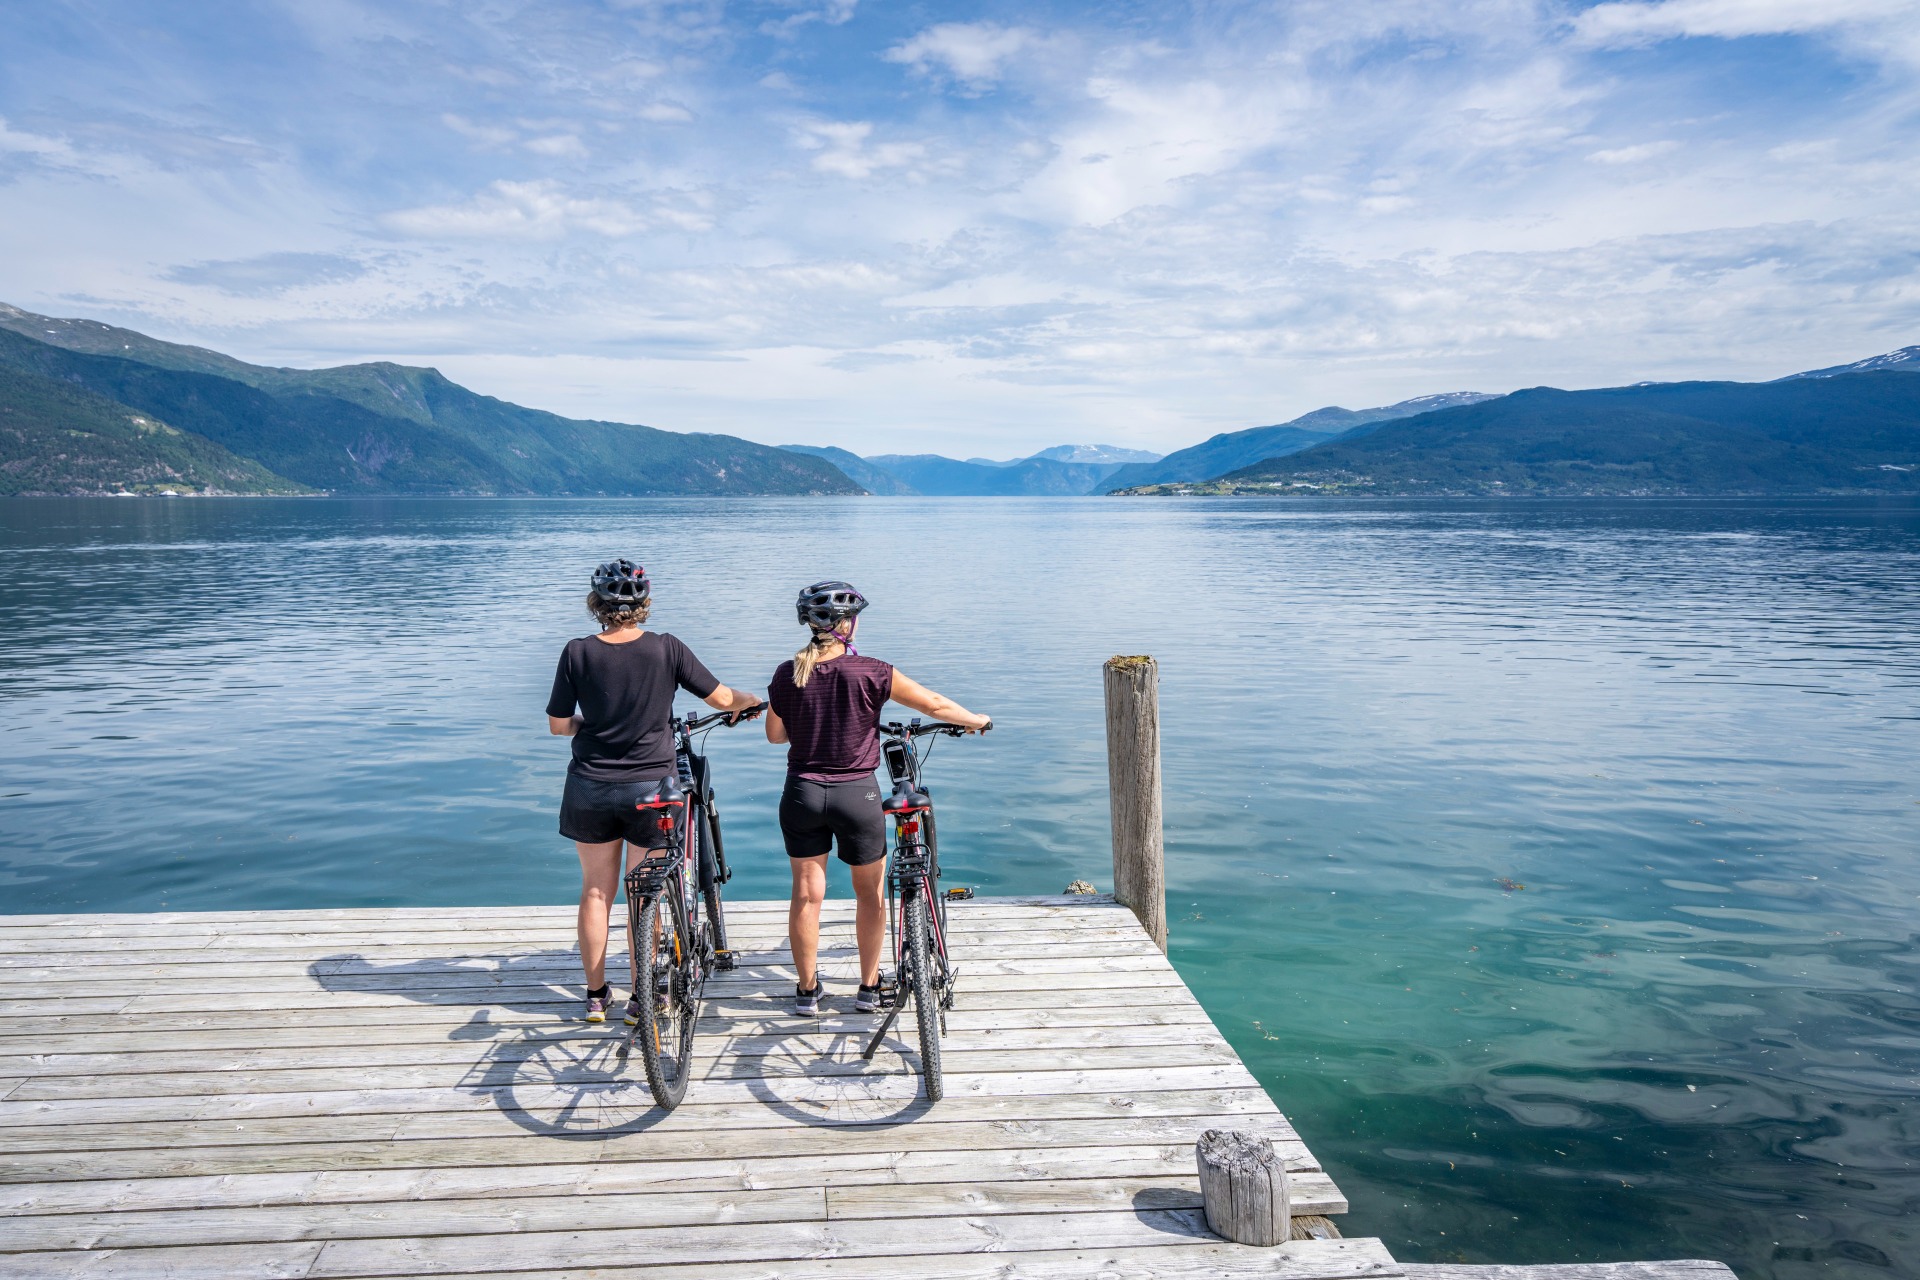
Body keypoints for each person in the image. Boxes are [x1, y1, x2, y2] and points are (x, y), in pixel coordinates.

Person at [547, 559, 761, 1025]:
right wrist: (750, 702)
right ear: (644, 604)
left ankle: (596, 996)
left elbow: (559, 726)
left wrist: (591, 724)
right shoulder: (667, 648)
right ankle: (644, 995)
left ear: (596, 604)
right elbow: (723, 699)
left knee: (596, 892)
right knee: (645, 895)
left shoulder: (576, 652)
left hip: (590, 788)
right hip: (652, 789)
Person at [764, 580, 989, 1016]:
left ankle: (807, 992)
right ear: (847, 625)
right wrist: (976, 720)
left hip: (802, 794)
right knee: (869, 895)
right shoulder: (873, 671)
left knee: (807, 896)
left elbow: (775, 735)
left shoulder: (786, 673)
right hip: (856, 794)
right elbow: (934, 705)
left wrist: (810, 720)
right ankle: (868, 988)